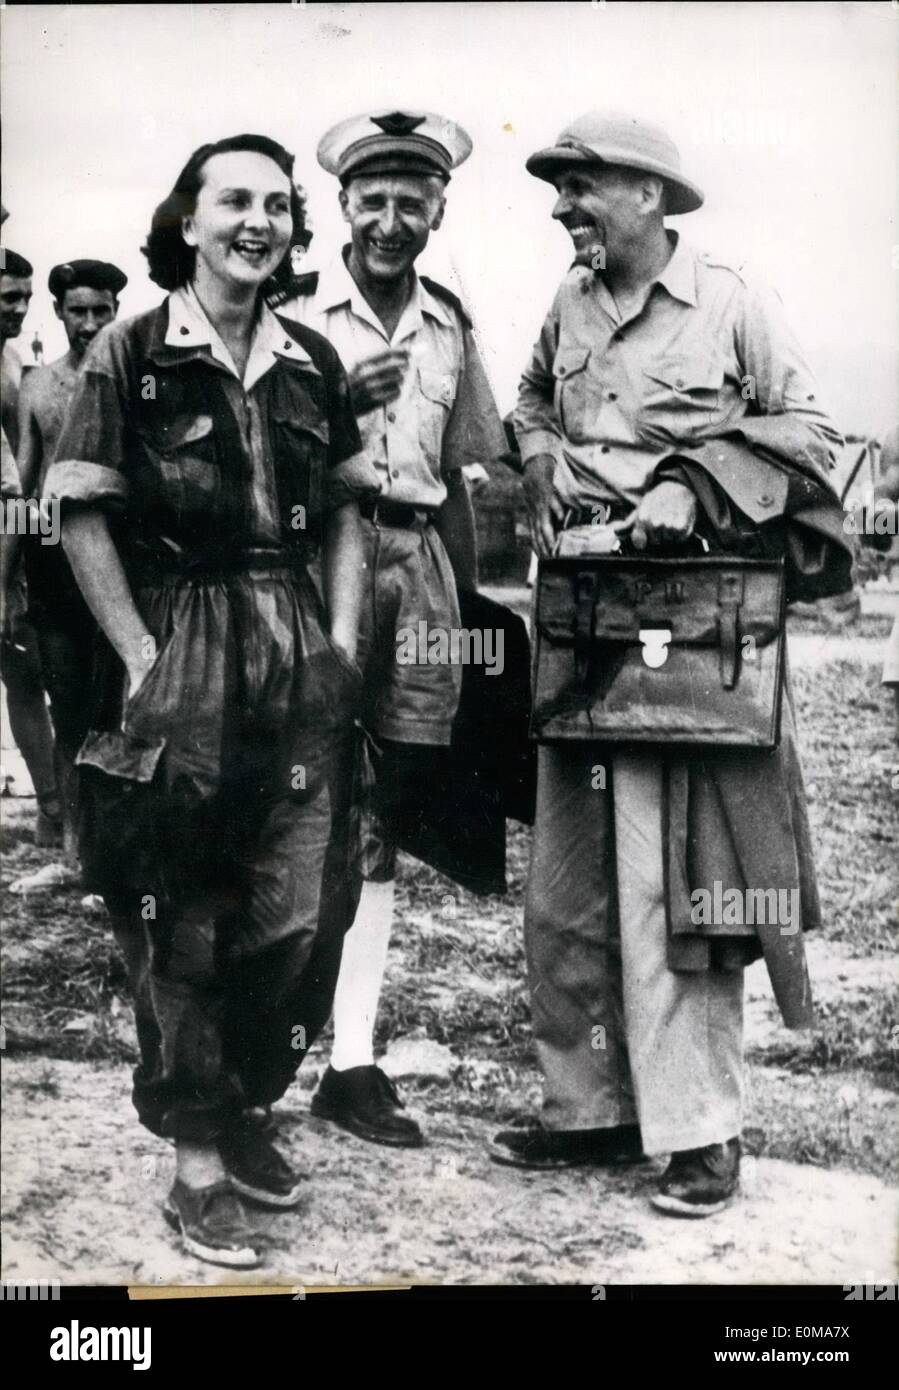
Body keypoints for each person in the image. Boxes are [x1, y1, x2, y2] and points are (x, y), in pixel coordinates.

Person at [491, 112, 852, 1216]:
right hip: (579, 629)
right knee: (566, 887)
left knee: (677, 889)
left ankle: (699, 1132)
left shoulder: (732, 303)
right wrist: (538, 452)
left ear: (647, 194)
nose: (562, 208)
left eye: (581, 187)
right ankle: (590, 1111)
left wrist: (689, 482)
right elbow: (529, 398)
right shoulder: (567, 301)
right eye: (557, 190)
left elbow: (810, 435)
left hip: (686, 638)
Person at [43, 134, 380, 1267]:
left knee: (300, 909)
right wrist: (142, 656)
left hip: (296, 646)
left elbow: (347, 508)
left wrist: (340, 641)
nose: (258, 222)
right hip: (180, 641)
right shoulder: (131, 352)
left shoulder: (312, 360)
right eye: (234, 200)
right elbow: (80, 513)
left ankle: (240, 1102)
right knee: (180, 911)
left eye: (278, 205)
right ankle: (195, 1156)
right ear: (186, 221)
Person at [278, 109, 506, 1147]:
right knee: (290, 801)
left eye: (411, 202)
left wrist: (466, 614)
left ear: (438, 212)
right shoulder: (288, 312)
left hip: (415, 569)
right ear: (341, 206)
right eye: (371, 199)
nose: (389, 220)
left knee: (387, 811)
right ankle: (256, 1047)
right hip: (309, 562)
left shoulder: (449, 326)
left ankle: (352, 1062)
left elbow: (458, 477)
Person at [10, 260, 128, 890]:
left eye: (100, 310)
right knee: (70, 711)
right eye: (77, 310)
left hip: (120, 563)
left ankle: (118, 860)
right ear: (58, 312)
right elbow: (25, 490)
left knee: (122, 712)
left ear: (116, 311)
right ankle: (76, 856)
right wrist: (7, 576)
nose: (88, 323)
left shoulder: (135, 378)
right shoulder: (37, 385)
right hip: (54, 566)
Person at [0, 249, 62, 844]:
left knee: (26, 667)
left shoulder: (16, 363)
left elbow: (24, 475)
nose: (19, 309)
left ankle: (52, 806)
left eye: (25, 297)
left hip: (14, 525)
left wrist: (21, 554)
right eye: (8, 298)